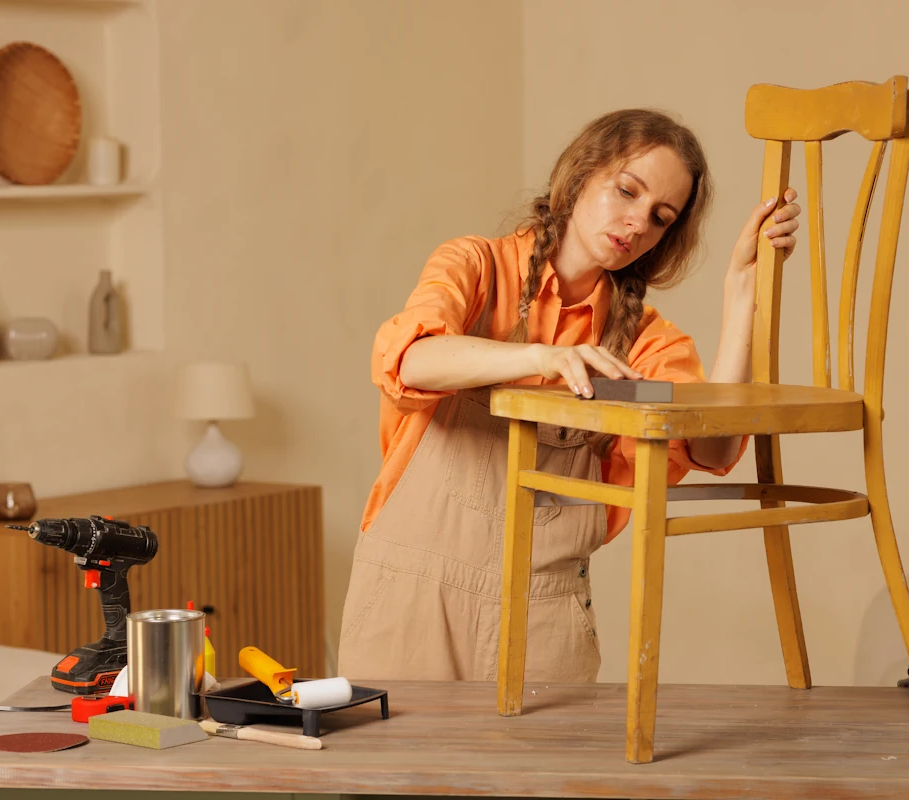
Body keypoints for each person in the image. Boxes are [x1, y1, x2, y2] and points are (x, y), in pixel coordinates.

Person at [338, 108, 801, 683]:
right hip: (408, 598)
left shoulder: (645, 341)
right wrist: (541, 358)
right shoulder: (476, 267)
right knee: (393, 774)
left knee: (544, 775)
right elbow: (412, 358)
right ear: (580, 174)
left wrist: (741, 298)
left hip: (545, 614)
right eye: (626, 191)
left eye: (659, 217)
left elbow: (712, 447)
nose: (636, 223)